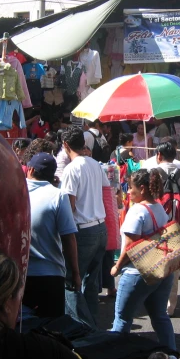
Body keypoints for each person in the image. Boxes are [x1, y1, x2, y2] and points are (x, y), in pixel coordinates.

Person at [109, 169, 176, 349]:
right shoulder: (159, 207)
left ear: (142, 188)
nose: (128, 192)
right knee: (160, 316)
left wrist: (116, 266)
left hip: (137, 272)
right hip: (162, 270)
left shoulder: (137, 211)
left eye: (130, 188)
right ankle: (171, 357)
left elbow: (130, 247)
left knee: (122, 319)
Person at [60, 126, 111, 321]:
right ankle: (92, 325)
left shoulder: (72, 168)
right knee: (90, 283)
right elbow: (107, 190)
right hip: (100, 228)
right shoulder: (94, 164)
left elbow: (69, 205)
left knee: (72, 281)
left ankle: (79, 328)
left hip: (83, 231)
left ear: (65, 145)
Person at [24, 153, 79, 318]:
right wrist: (75, 273)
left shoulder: (15, 189)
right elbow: (68, 238)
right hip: (50, 276)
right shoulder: (58, 195)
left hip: (19, 273)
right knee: (52, 330)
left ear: (31, 169)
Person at [152, 143, 180, 317]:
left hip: (156, 227)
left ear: (159, 155)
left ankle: (155, 302)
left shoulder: (152, 174)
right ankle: (169, 307)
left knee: (155, 264)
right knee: (174, 269)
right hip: (177, 226)